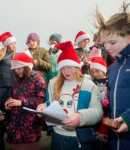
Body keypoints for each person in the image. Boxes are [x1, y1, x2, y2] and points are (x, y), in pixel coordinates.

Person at [37, 41, 103, 150]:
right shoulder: (54, 83)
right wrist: (42, 107)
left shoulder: (88, 85)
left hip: (80, 139)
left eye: (70, 67)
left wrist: (80, 117)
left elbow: (98, 112)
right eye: (63, 68)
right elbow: (51, 104)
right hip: (58, 136)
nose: (66, 71)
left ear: (77, 67)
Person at [95, 2, 130, 150]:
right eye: (105, 43)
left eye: (112, 42)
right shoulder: (114, 68)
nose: (107, 47)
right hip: (114, 140)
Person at [5, 50, 46, 150]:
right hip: (16, 124)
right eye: (15, 69)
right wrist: (9, 102)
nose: (16, 71)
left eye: (19, 68)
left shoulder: (37, 78)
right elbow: (13, 96)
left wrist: (22, 102)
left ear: (27, 66)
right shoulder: (16, 80)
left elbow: (41, 100)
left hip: (30, 125)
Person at [90, 57, 109, 149]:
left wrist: (107, 100)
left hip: (107, 113)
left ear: (103, 70)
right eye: (93, 72)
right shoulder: (92, 82)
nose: (95, 74)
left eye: (97, 71)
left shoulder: (109, 81)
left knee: (104, 135)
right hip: (96, 112)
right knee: (96, 135)